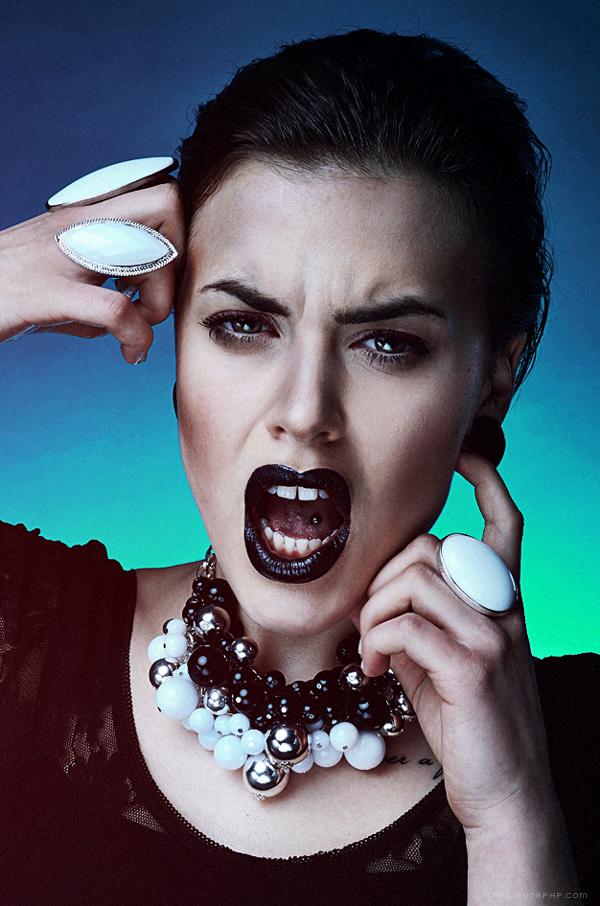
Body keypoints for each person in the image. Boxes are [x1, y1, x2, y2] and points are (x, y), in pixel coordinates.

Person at [0, 27, 597, 906]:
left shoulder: (576, 751)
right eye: (244, 325)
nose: (305, 411)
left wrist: (512, 818)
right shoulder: (23, 636)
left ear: (491, 385)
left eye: (388, 344)